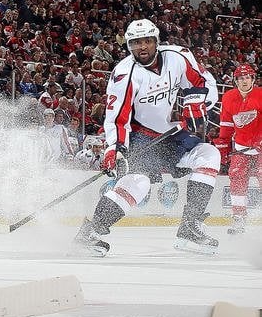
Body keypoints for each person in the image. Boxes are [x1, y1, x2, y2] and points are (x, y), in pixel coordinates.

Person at [74, 19, 220, 256]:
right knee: (138, 183)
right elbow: (117, 117)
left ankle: (190, 227)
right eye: (136, 43)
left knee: (209, 155)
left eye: (147, 41)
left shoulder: (178, 56)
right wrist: (115, 147)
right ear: (129, 46)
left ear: (157, 41)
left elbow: (205, 82)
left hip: (171, 133)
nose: (142, 47)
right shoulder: (124, 74)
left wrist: (199, 102)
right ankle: (91, 232)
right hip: (141, 137)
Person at [214, 64, 262, 235]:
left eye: (247, 77)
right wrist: (223, 147)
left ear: (253, 79)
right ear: (235, 80)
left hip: (261, 149)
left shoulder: (260, 95)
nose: (244, 81)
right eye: (241, 78)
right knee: (237, 181)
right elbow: (226, 125)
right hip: (241, 148)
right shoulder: (228, 98)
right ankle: (239, 218)